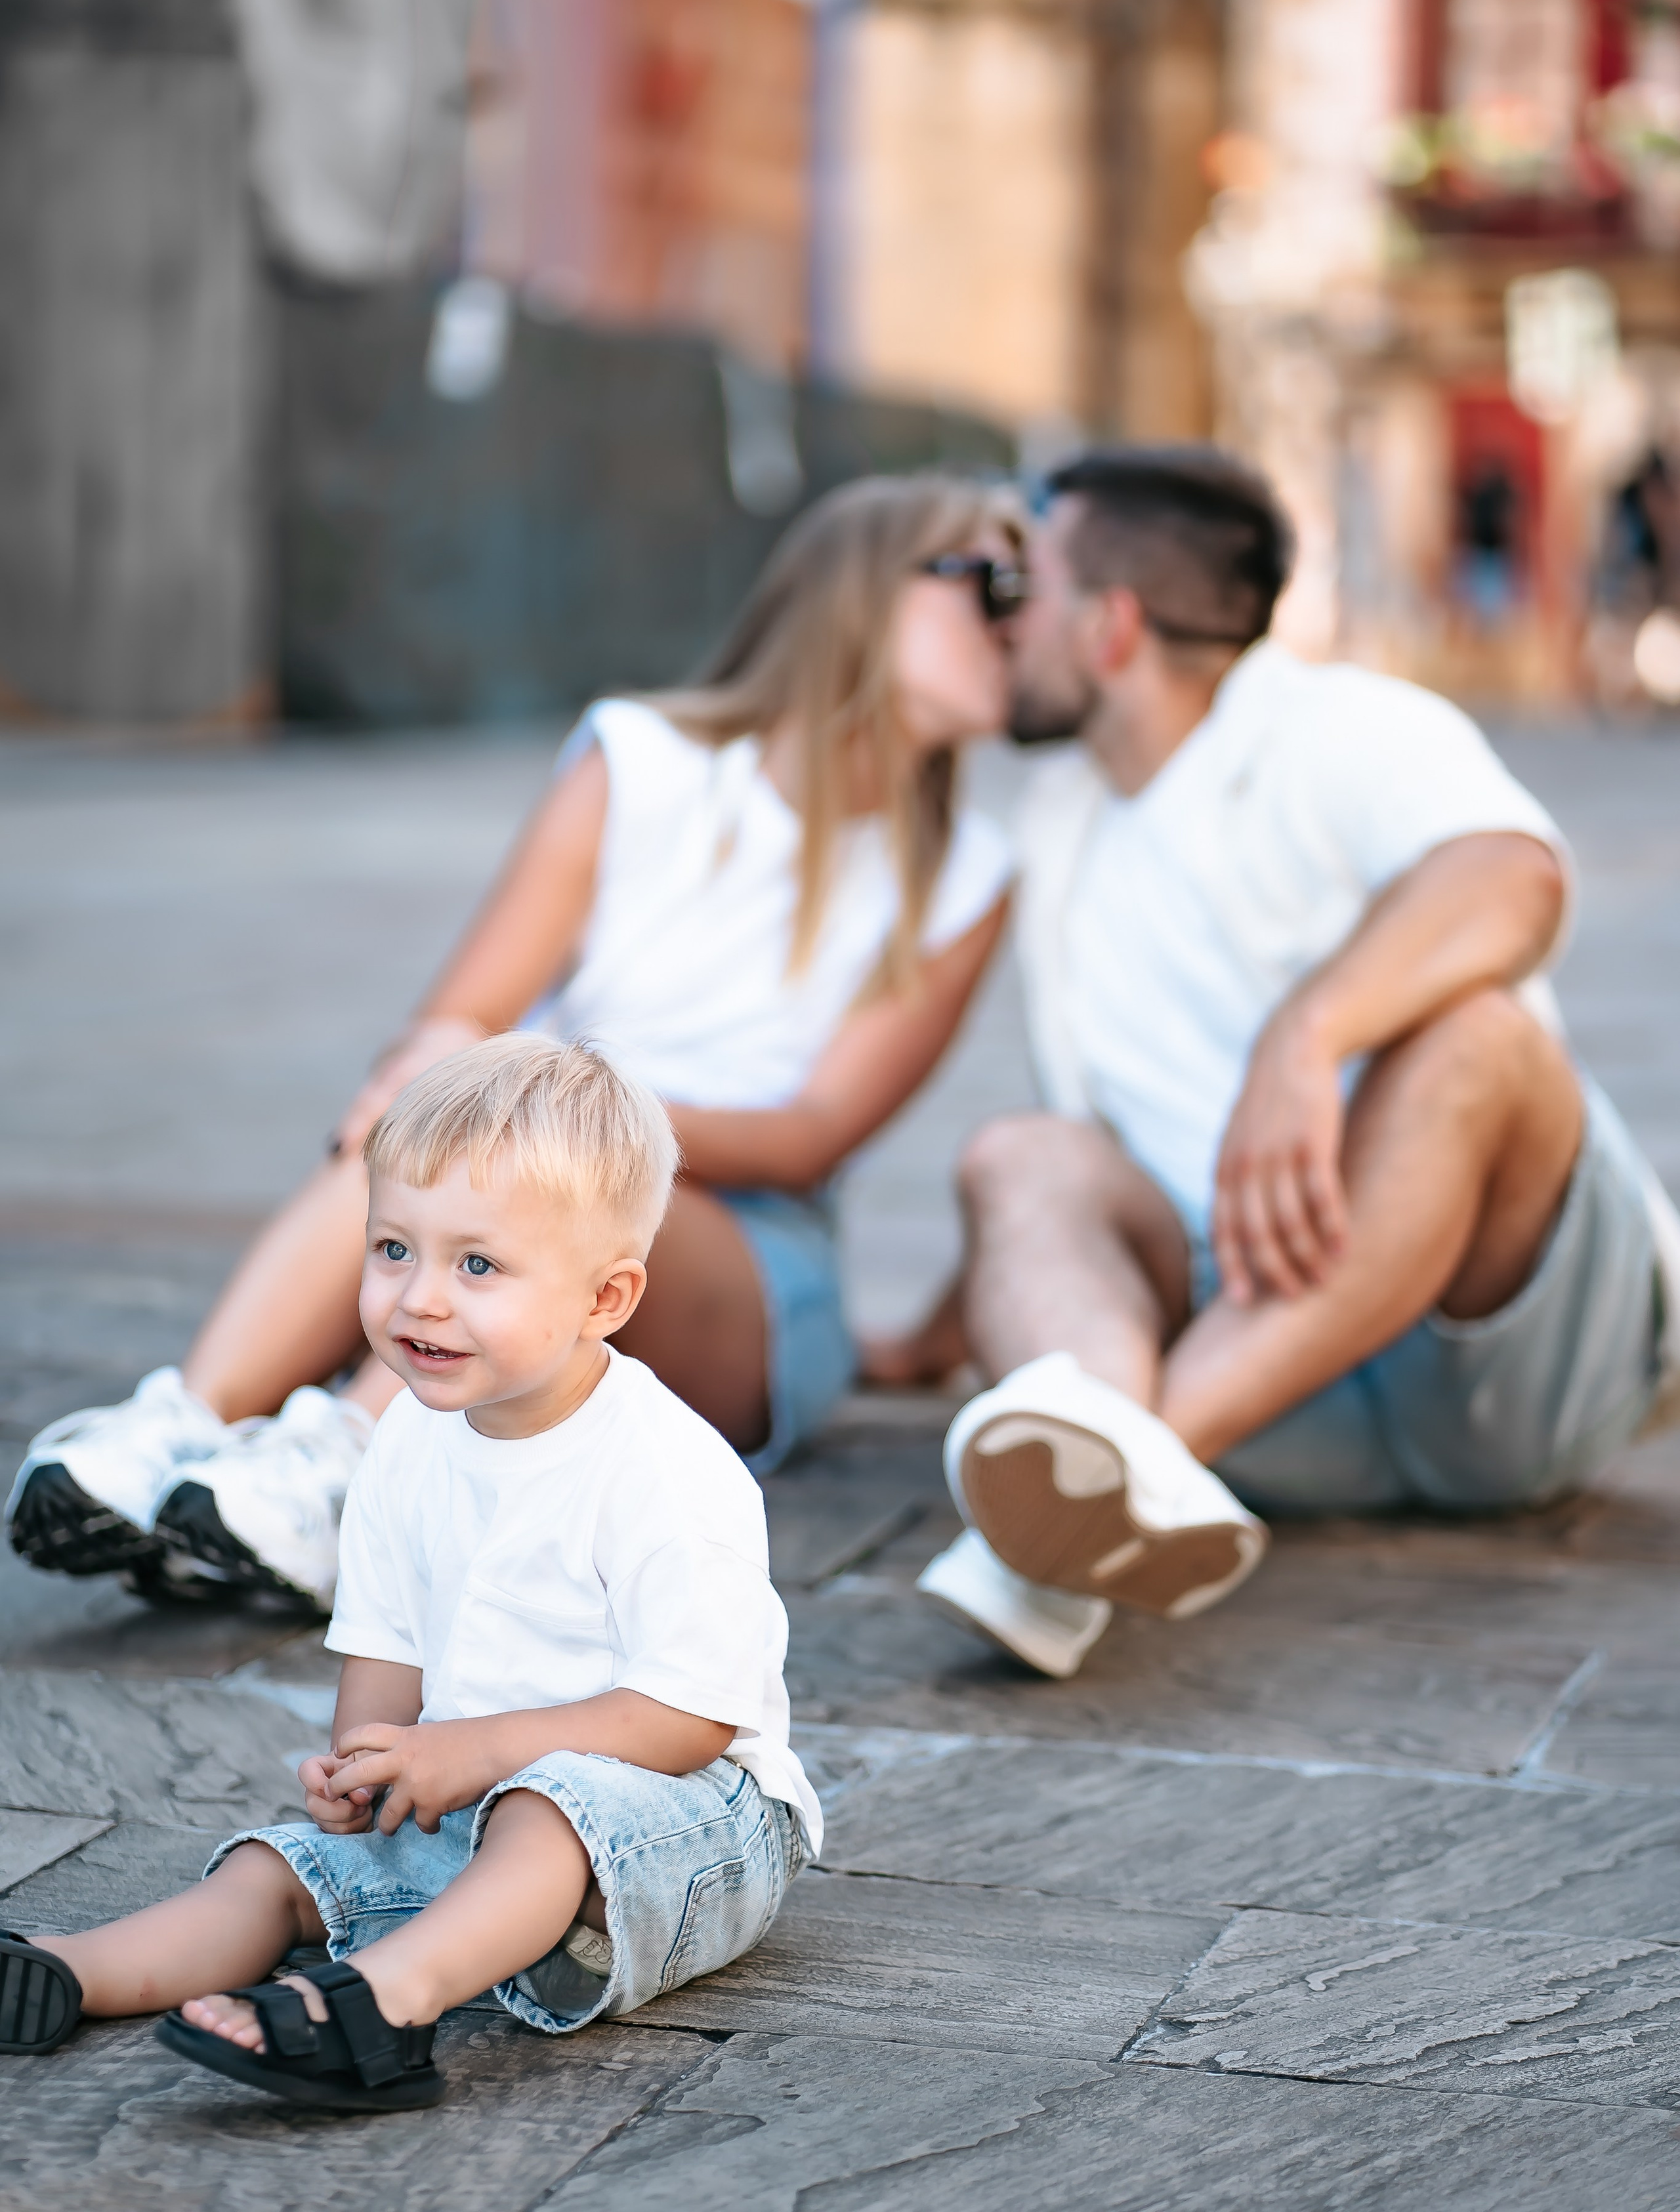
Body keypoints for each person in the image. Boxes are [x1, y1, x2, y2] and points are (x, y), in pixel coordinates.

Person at [7, 476, 1022, 1609]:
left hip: (746, 1260)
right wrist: (443, 1074)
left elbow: (811, 1137)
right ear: (867, 589)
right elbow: (468, 1007)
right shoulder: (640, 759)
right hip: (513, 1154)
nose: (1022, 622)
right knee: (425, 1125)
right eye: (995, 583)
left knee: (507, 1156)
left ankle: (342, 1470)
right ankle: (182, 1428)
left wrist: (558, 1119)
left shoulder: (968, 873)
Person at [885, 445, 1680, 1679]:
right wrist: (935, 1335)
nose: (999, 621)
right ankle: (1088, 1500)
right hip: (1264, 1377)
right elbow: (1084, 1183)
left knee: (1481, 1040)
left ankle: (1117, 1472)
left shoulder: (1340, 724)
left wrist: (1306, 1037)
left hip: (1496, 1370)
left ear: (1110, 627)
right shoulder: (1062, 822)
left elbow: (1512, 879)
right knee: (1020, 1155)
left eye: (1017, 589)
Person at [0, 1036, 821, 2108]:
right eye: (394, 1249)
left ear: (606, 1299)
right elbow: (385, 1646)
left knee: (546, 1811)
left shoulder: (664, 1469)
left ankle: (382, 2009)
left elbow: (690, 1719)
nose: (419, 1300)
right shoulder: (403, 1444)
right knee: (283, 1869)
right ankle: (73, 1970)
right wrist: (369, 1765)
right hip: (473, 1791)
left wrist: (470, 1751)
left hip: (692, 1820)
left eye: (477, 1266)